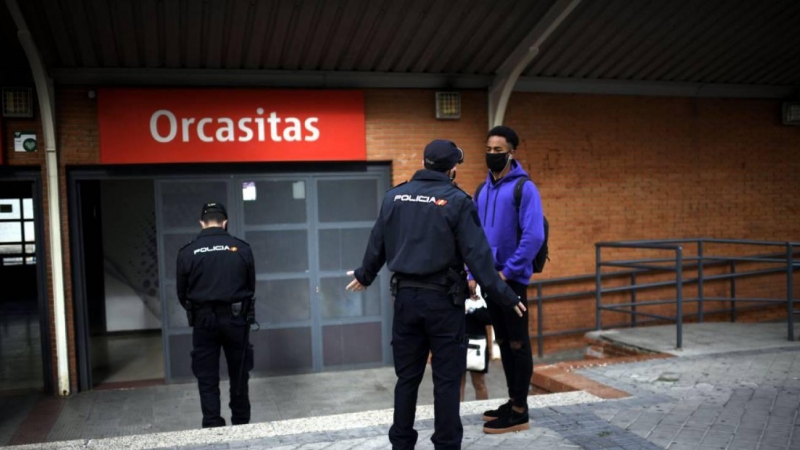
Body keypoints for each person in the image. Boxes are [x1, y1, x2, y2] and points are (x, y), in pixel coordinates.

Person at [346, 139, 526, 450]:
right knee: (445, 382)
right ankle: (445, 445)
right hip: (443, 304)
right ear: (452, 168)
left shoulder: (393, 197)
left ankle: (401, 443)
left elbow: (378, 243)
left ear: (426, 162)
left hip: (405, 301)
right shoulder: (457, 201)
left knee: (407, 380)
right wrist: (507, 297)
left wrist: (365, 275)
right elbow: (478, 258)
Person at [469, 126, 545, 434]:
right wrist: (474, 274)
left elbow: (534, 236)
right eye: (489, 149)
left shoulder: (524, 188)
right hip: (489, 281)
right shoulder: (482, 190)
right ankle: (513, 399)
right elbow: (473, 237)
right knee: (502, 340)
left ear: (512, 152)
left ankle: (520, 411)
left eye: (498, 150)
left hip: (510, 282)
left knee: (517, 343)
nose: (492, 155)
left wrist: (507, 271)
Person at [176, 202, 256, 428]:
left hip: (204, 321)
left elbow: (182, 294)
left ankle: (212, 425)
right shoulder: (242, 248)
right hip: (236, 319)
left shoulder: (187, 252)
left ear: (202, 223)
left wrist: (201, 310)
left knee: (207, 377)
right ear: (225, 222)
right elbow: (251, 287)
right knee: (239, 374)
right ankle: (241, 424)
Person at [460, 288, 492, 402]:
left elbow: (490, 317)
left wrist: (472, 310)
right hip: (458, 339)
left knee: (479, 382)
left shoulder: (483, 289)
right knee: (458, 383)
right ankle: (458, 414)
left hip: (478, 341)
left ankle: (483, 410)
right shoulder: (457, 285)